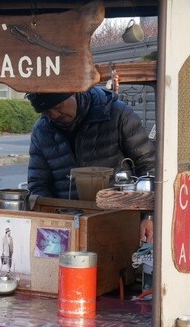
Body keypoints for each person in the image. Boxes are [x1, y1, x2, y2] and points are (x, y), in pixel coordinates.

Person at [26, 87, 156, 242]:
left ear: (74, 92)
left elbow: (149, 166)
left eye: (57, 106)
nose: (53, 115)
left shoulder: (117, 114)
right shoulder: (42, 130)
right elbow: (38, 183)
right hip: (67, 225)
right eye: (46, 111)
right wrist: (52, 220)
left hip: (119, 219)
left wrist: (149, 215)